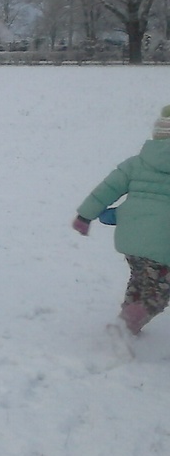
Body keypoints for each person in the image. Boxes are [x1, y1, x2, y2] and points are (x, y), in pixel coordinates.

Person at [73, 105, 170, 334]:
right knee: (160, 290)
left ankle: (125, 326)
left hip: (131, 238)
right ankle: (133, 317)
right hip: (164, 243)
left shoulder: (135, 163)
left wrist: (85, 215)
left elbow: (107, 188)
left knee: (140, 279)